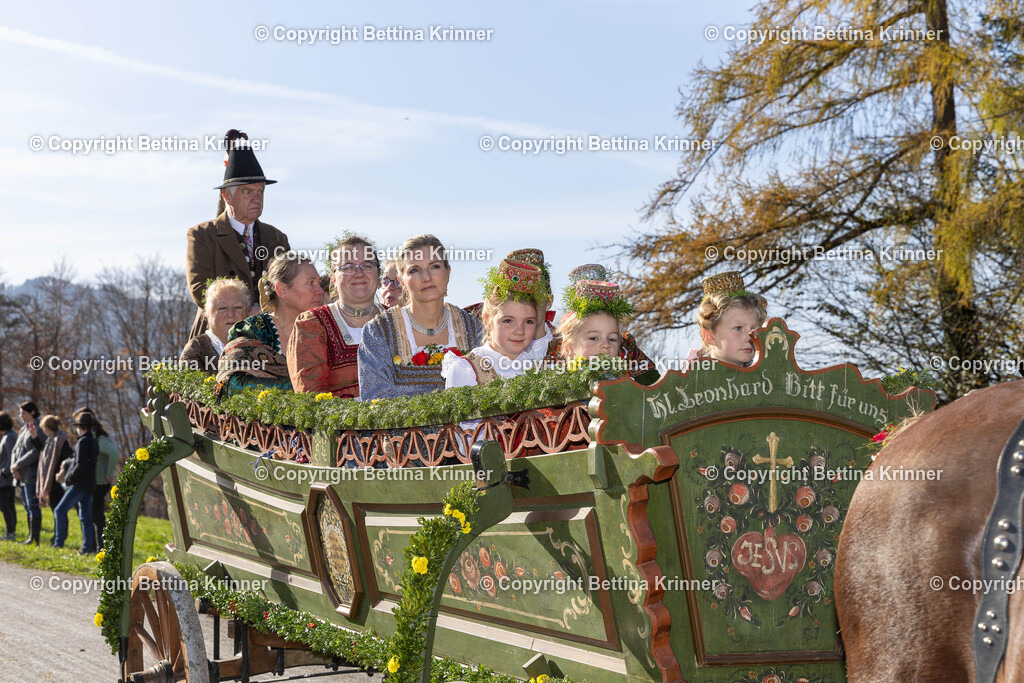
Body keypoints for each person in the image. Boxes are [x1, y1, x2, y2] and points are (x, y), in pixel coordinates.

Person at [185, 129, 291, 340]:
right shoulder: (202, 235)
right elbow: (200, 290)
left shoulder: (278, 238)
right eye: (247, 192)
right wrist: (244, 311)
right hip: (218, 337)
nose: (256, 198)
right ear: (227, 196)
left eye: (260, 191)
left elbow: (288, 285)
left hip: (270, 337)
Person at [358, 234, 484, 400]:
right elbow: (376, 402)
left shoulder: (474, 328)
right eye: (414, 270)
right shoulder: (378, 332)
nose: (427, 278)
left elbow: (489, 392)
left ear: (448, 272)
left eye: (435, 266)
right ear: (401, 281)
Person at [288, 236, 385, 398]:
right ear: (333, 278)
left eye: (367, 266)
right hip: (339, 422)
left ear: (378, 273)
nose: (359, 273)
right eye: (348, 267)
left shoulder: (399, 319)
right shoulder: (313, 324)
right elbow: (311, 397)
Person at [216, 252, 323, 396]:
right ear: (282, 290)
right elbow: (232, 385)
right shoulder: (253, 331)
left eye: (319, 283)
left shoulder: (326, 329)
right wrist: (302, 388)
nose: (320, 291)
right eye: (311, 283)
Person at [443, 258, 549, 388]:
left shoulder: (541, 369)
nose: (520, 331)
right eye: (508, 321)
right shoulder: (467, 369)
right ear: (487, 321)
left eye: (528, 322)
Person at [557, 265, 660, 385]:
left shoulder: (625, 383)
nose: (606, 345)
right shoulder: (557, 387)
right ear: (569, 348)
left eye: (612, 339)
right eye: (593, 338)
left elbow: (656, 388)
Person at [691, 271, 768, 367]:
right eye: (738, 328)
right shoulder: (690, 379)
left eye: (754, 329)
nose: (750, 337)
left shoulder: (766, 378)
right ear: (709, 336)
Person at [179, 278, 250, 373]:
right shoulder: (195, 350)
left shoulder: (258, 345)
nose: (231, 314)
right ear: (208, 314)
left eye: (238, 307)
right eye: (222, 308)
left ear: (247, 313)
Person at [73, 407, 119, 548]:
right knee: (91, 514)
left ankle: (102, 547)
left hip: (99, 482)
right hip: (95, 481)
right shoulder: (97, 437)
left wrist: (109, 475)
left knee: (97, 516)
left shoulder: (99, 439)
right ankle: (93, 545)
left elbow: (114, 453)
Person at [53, 412, 98, 554]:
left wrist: (70, 477)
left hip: (79, 484)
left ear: (79, 426)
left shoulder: (82, 442)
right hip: (90, 484)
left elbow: (80, 463)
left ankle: (58, 543)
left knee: (59, 510)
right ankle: (86, 548)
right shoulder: (93, 441)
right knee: (85, 517)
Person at [10, 401, 43, 545]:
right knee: (26, 506)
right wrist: (14, 468)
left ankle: (35, 538)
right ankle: (30, 536)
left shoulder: (38, 428)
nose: (20, 416)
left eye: (23, 413)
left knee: (32, 505)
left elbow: (35, 451)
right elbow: (15, 450)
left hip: (31, 474)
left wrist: (18, 465)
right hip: (20, 474)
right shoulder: (24, 429)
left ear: (32, 413)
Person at [35, 416, 73, 540]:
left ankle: (60, 536)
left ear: (47, 427)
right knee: (54, 508)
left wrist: (60, 471)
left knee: (58, 508)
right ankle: (57, 535)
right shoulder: (50, 440)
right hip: (50, 480)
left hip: (56, 481)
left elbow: (67, 457)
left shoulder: (60, 440)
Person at [0, 411, 17, 541]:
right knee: (8, 505)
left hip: (5, 479)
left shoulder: (9, 437)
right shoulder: (7, 435)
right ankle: (10, 532)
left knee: (6, 506)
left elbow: (12, 456)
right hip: (5, 478)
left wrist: (4, 471)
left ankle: (10, 533)